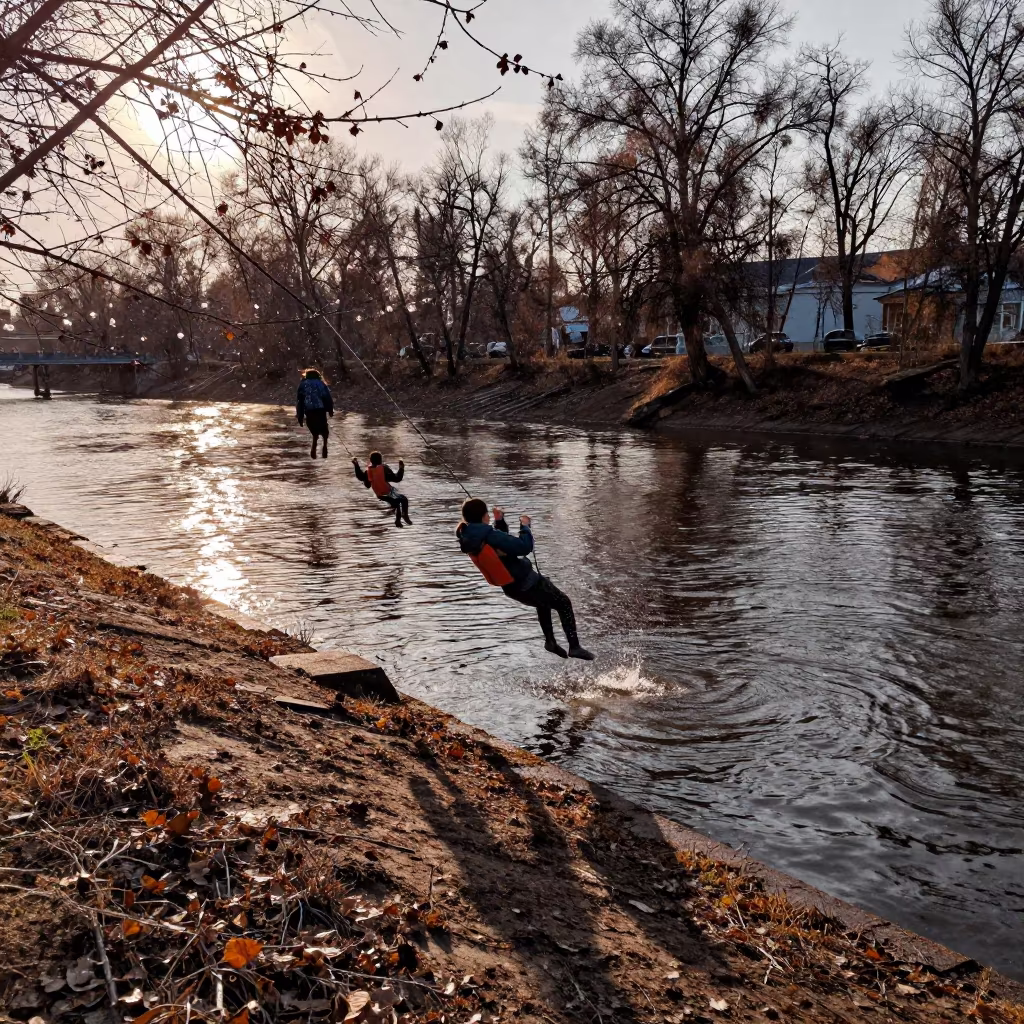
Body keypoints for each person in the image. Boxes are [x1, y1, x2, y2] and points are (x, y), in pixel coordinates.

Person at [456, 498, 594, 660]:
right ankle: (574, 646)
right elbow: (523, 547)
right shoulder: (488, 534)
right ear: (483, 516)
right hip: (526, 581)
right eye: (487, 514)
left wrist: (499, 522)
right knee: (563, 602)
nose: (489, 516)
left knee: (543, 602)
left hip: (512, 588)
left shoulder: (470, 536)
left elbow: (500, 544)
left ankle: (550, 641)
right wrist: (525, 526)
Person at [353, 451, 412, 528]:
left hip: (380, 495)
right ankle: (404, 516)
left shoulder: (368, 471)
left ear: (371, 460)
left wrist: (356, 465)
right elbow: (397, 479)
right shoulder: (384, 468)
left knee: (396, 503)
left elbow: (360, 477)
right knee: (403, 500)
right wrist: (401, 468)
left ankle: (398, 520)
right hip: (388, 492)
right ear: (381, 460)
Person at [296, 368, 334, 459]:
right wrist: (330, 410)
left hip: (309, 411)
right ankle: (325, 445)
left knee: (314, 430)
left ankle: (314, 446)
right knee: (324, 429)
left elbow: (299, 402)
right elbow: (327, 397)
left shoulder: (302, 385)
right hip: (320, 409)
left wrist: (300, 416)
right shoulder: (321, 384)